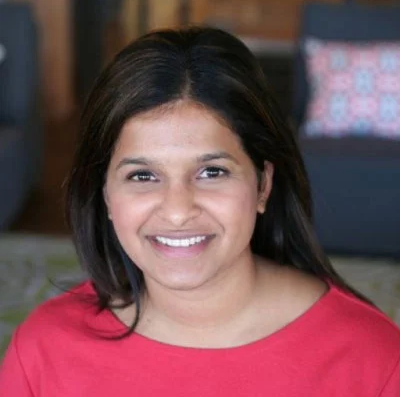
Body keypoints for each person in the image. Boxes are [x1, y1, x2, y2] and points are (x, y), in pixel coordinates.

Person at [0, 26, 399, 396]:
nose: (177, 211)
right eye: (142, 175)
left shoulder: (373, 359)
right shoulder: (44, 350)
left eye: (212, 172)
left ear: (262, 185)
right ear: (105, 193)